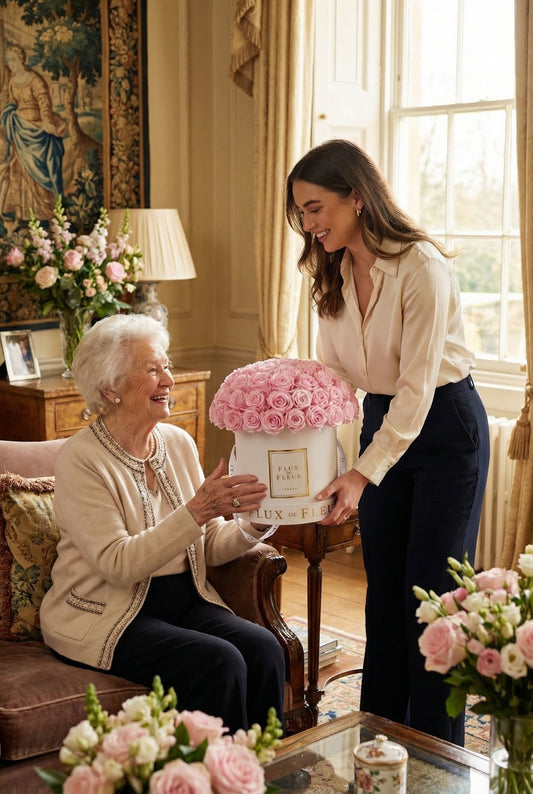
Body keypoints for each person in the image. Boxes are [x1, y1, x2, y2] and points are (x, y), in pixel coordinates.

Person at [285, 139, 490, 745]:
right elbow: (336, 375)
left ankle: (436, 756)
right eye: (301, 212)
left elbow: (417, 389)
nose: (309, 224)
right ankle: (379, 743)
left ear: (357, 196)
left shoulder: (422, 266)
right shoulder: (332, 270)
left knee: (433, 600)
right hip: (385, 422)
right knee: (385, 599)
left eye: (316, 208)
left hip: (445, 428)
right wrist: (293, 423)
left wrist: (361, 473)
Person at [40, 314, 285, 734]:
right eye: (152, 370)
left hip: (185, 600)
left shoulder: (177, 443)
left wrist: (254, 524)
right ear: (110, 389)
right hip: (107, 613)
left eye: (166, 366)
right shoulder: (82, 459)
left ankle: (266, 764)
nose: (168, 379)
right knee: (220, 661)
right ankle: (217, 769)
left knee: (265, 647)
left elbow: (207, 545)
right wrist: (197, 510)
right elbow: (118, 564)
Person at [0, 43, 65, 224]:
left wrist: (46, 121)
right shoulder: (12, 81)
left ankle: (42, 213)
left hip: (36, 130)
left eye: (14, 60)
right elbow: (12, 103)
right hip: (19, 129)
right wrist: (7, 113)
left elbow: (44, 102)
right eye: (9, 61)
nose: (11, 64)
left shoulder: (35, 79)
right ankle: (22, 214)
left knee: (37, 169)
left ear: (22, 59)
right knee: (20, 168)